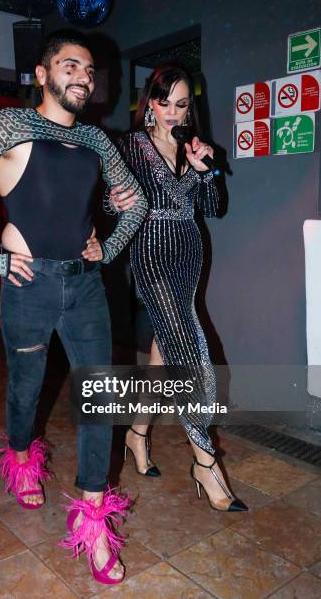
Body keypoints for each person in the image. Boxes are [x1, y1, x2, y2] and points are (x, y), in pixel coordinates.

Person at [0, 30, 148, 584]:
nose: (85, 76)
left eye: (91, 69)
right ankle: (22, 459)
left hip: (86, 287)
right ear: (43, 74)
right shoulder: (10, 125)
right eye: (71, 65)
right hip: (28, 285)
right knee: (25, 389)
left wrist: (109, 241)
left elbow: (135, 200)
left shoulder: (99, 141)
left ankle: (94, 523)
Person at [111, 64, 248, 512]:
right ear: (149, 102)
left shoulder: (194, 146)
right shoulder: (130, 146)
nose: (173, 111)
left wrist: (206, 171)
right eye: (164, 101)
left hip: (189, 253)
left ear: (191, 107)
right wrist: (112, 203)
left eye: (182, 104)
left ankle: (136, 433)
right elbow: (111, 207)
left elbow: (216, 207)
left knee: (163, 351)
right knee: (190, 346)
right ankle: (205, 463)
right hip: (150, 251)